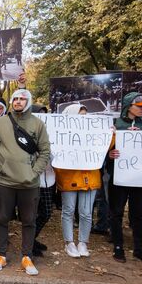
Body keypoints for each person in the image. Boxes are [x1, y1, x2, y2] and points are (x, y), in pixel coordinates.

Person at [0, 89, 50, 276]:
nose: (18, 102)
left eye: (22, 99)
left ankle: (27, 256)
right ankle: (1, 255)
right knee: (2, 219)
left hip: (29, 183)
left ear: (28, 102)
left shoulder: (37, 124)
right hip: (4, 182)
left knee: (29, 221)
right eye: (15, 99)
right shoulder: (0, 122)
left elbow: (45, 152)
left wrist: (34, 172)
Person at [106, 92, 142, 263]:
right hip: (118, 177)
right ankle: (118, 247)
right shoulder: (114, 124)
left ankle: (140, 249)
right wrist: (109, 154)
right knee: (116, 212)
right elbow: (102, 147)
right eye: (138, 106)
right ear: (128, 106)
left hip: (140, 178)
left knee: (139, 214)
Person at [55, 104, 101, 258]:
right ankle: (69, 242)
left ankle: (83, 242)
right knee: (68, 211)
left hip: (90, 179)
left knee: (86, 213)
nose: (83, 119)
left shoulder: (95, 133)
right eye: (80, 115)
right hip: (69, 178)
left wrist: (112, 135)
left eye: (85, 116)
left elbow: (106, 146)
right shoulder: (62, 135)